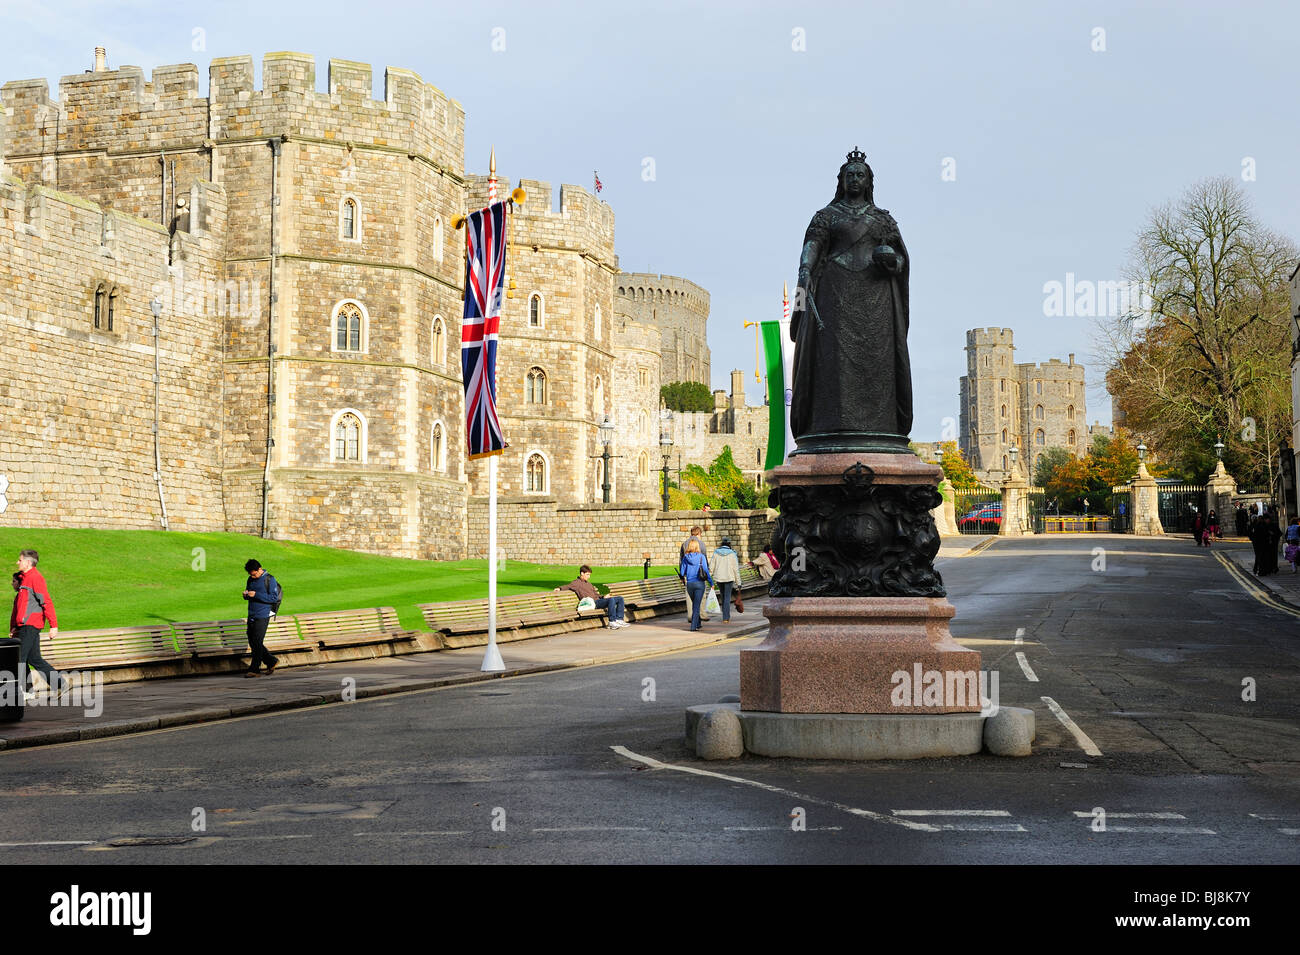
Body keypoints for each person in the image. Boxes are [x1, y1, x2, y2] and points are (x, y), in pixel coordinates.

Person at [10, 549, 65, 701]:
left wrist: (54, 626)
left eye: (19, 560)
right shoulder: (24, 578)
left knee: (19, 658)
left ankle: (25, 691)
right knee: (34, 659)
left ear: (28, 562)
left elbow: (46, 601)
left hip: (31, 625)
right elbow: (21, 605)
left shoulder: (35, 578)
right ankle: (60, 684)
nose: (17, 562)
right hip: (25, 625)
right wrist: (15, 626)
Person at [555, 565, 629, 629]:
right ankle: (612, 621)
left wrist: (603, 597)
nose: (589, 577)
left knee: (620, 598)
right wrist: (559, 588)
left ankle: (619, 619)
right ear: (582, 573)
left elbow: (596, 595)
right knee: (611, 600)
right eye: (587, 574)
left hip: (597, 601)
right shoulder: (576, 583)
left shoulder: (589, 584)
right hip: (591, 603)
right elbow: (568, 586)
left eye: (589, 575)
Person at [241, 559, 281, 676]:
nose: (252, 576)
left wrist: (256, 595)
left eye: (254, 574)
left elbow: (273, 598)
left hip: (263, 614)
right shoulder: (250, 579)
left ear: (260, 569)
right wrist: (246, 595)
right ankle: (271, 661)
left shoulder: (270, 579)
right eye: (250, 574)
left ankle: (255, 669)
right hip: (252, 613)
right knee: (252, 641)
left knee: (257, 641)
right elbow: (250, 595)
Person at [679, 539, 714, 632]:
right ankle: (693, 627)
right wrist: (711, 583)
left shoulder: (685, 558)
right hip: (699, 584)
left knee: (695, 603)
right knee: (696, 606)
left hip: (690, 584)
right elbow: (706, 571)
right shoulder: (701, 557)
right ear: (697, 546)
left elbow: (682, 572)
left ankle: (698, 623)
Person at [708, 538, 741, 624]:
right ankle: (726, 617)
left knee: (723, 597)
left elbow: (711, 567)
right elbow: (736, 569)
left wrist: (708, 577)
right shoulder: (732, 554)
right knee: (727, 597)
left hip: (719, 578)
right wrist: (739, 583)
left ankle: (725, 615)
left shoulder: (716, 553)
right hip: (729, 578)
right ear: (729, 545)